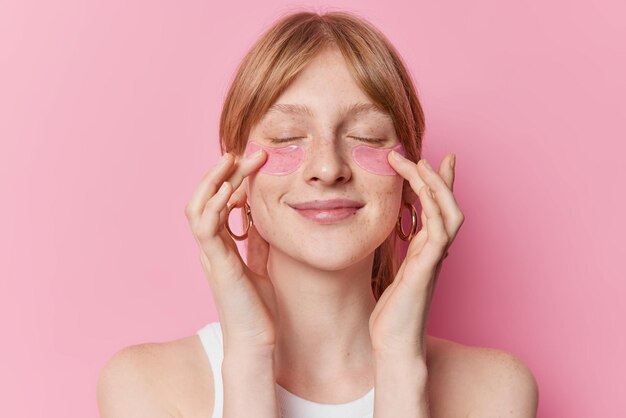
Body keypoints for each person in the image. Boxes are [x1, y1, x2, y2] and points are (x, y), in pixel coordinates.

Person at [97, 10, 538, 418]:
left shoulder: (494, 391)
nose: (328, 168)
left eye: (365, 135)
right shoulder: (148, 387)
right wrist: (249, 355)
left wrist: (400, 360)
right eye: (288, 136)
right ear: (235, 177)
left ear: (410, 180)